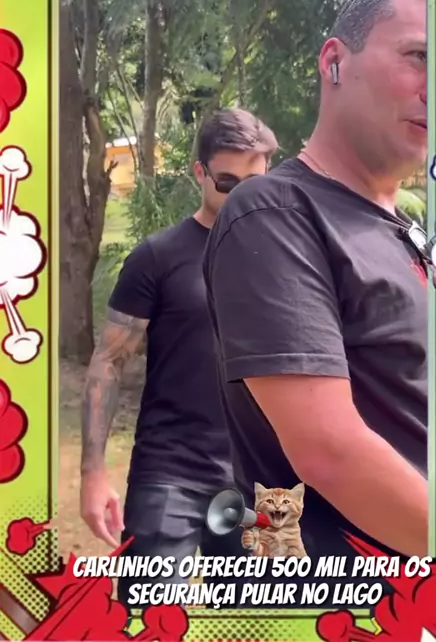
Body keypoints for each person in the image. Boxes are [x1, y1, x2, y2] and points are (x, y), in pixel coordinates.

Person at [203, 0, 429, 586]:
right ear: (334, 63)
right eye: (419, 56)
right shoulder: (274, 214)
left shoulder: (408, 231)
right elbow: (329, 452)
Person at [80, 108, 278, 606]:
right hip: (169, 475)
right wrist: (93, 473)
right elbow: (109, 362)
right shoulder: (158, 257)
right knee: (145, 623)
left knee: (254, 628)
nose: (240, 196)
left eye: (253, 183)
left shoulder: (288, 260)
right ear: (199, 173)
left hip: (255, 483)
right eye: (226, 182)